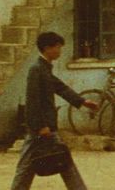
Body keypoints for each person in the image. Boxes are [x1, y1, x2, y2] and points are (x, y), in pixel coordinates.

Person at [11, 32, 98, 190]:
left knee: (60, 162)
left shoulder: (43, 68)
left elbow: (60, 87)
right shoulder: (36, 69)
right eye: (57, 47)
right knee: (30, 167)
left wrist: (82, 101)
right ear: (47, 48)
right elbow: (33, 101)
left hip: (46, 127)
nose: (60, 51)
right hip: (42, 129)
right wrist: (40, 127)